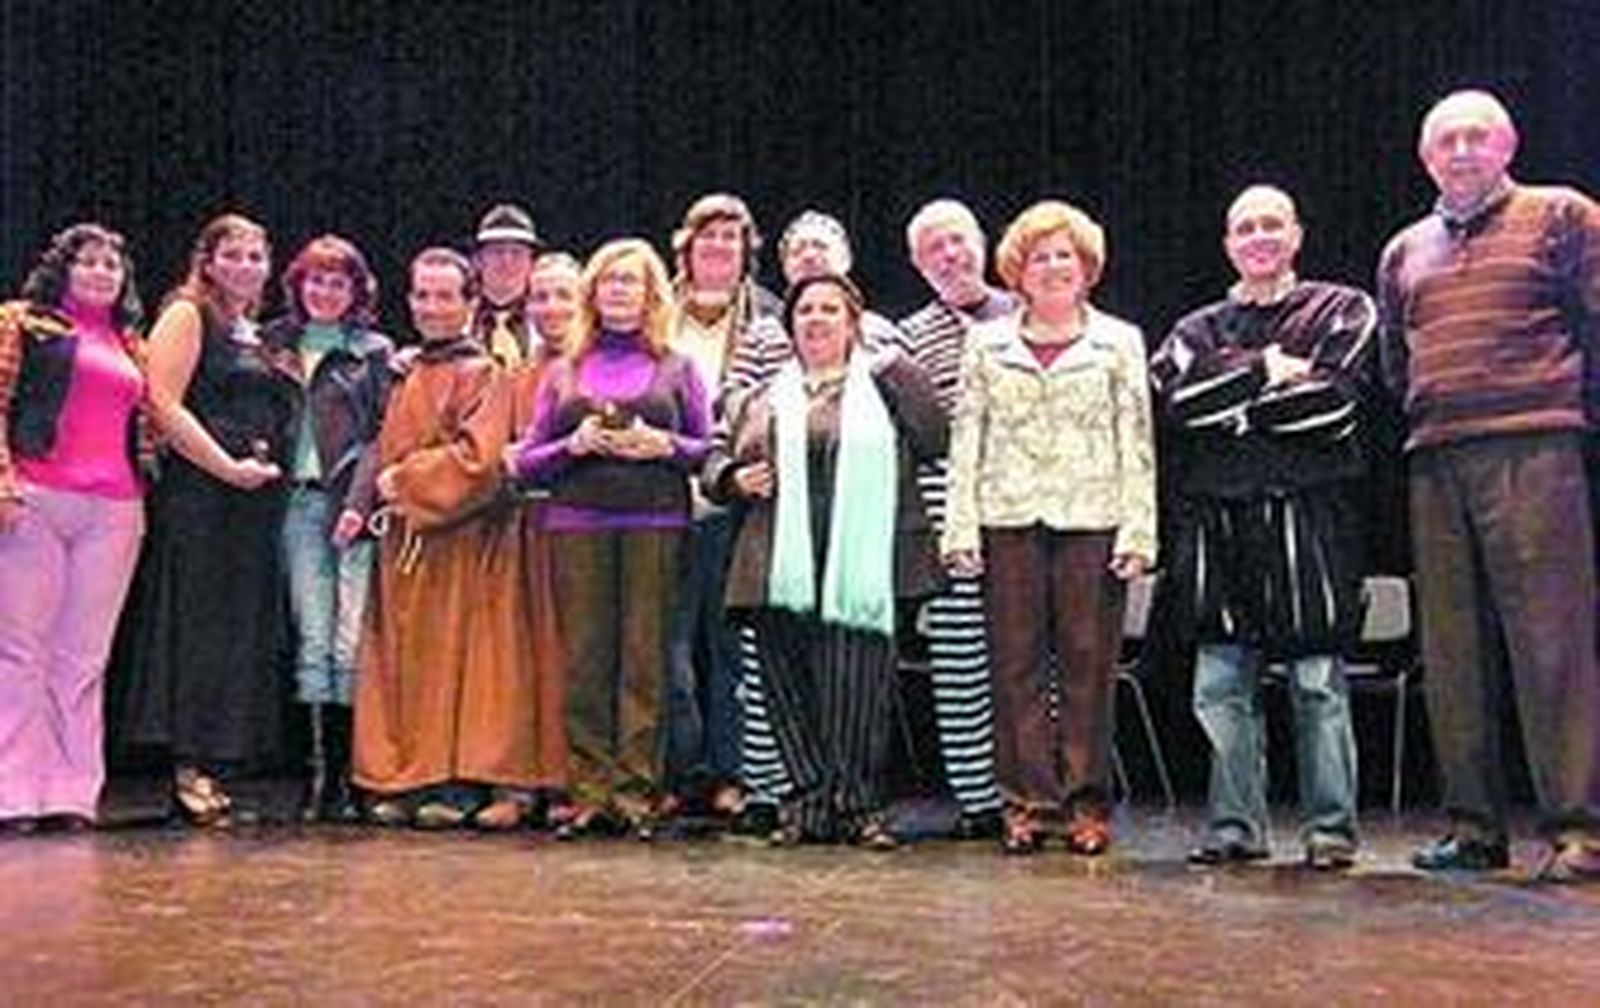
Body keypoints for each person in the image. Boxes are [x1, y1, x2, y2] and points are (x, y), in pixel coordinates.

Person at [1378, 89, 1600, 881]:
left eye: (1477, 137)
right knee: (1453, 651)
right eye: (1446, 140)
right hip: (1437, 455)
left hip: (1533, 447)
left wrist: (1565, 411)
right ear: (1426, 156)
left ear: (1508, 146)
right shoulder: (1405, 250)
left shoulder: (1562, 214)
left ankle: (1580, 830)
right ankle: (1474, 828)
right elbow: (1396, 365)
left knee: (1552, 644)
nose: (1462, 151)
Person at [0, 223, 276, 833]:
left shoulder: (129, 341)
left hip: (117, 509)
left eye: (112, 265)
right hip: (37, 498)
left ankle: (72, 793)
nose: (101, 273)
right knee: (21, 650)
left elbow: (151, 417)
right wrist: (3, 483)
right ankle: (16, 791)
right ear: (62, 268)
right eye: (89, 263)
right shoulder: (21, 322)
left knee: (83, 657)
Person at [1151, 185, 1376, 870]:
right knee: (1219, 685)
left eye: (1271, 224)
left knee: (1316, 683)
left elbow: (1333, 407)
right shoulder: (1196, 327)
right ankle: (1235, 828)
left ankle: (1331, 832)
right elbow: (1176, 406)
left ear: (1296, 235)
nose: (1258, 236)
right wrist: (1266, 373)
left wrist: (1237, 403)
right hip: (1216, 524)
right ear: (1227, 243)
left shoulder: (1343, 308)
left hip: (1307, 519)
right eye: (1244, 227)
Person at [942, 199, 1156, 856]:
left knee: (1090, 667)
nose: (1053, 266)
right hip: (1007, 519)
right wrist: (960, 529)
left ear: (1086, 267)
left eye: (1065, 255)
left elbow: (1137, 437)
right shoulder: (986, 342)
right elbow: (967, 436)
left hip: (1093, 518)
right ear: (1018, 271)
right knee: (1015, 668)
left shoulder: (1119, 339)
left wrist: (1139, 531)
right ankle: (1029, 803)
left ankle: (1086, 803)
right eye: (1040, 257)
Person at [704, 273, 948, 848]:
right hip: (776, 562)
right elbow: (715, 454)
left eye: (829, 309)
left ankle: (860, 807)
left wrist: (902, 373)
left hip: (860, 562)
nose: (816, 319)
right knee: (787, 690)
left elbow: (937, 439)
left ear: (852, 320)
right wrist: (734, 477)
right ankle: (806, 804)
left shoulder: (888, 383)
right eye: (805, 310)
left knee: (858, 689)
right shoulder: (761, 393)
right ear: (789, 325)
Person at [507, 238, 711, 839]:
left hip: (656, 527)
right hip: (577, 526)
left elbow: (709, 448)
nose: (620, 291)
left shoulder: (678, 366)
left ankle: (638, 794)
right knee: (586, 662)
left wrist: (665, 446)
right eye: (609, 281)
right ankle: (590, 792)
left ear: (652, 295)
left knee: (645, 663)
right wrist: (572, 446)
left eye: (632, 282)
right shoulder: (564, 369)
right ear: (593, 293)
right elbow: (527, 462)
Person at [116, 213, 297, 827]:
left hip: (252, 505)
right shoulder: (187, 314)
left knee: (235, 632)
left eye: (256, 255)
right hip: (202, 497)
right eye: (234, 255)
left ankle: (216, 765)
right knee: (195, 628)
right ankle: (187, 766)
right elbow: (162, 403)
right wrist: (225, 466)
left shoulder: (259, 333)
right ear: (208, 260)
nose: (246, 266)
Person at [260, 234, 393, 823]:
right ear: (298, 284)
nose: (325, 292)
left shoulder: (375, 351)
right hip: (296, 505)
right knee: (313, 638)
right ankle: (320, 778)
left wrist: (359, 503)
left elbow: (379, 436)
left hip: (352, 505)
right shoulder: (271, 345)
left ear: (356, 291)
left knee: (350, 639)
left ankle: (352, 773)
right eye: (315, 280)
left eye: (338, 282)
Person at [895, 198, 1013, 836]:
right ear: (917, 262)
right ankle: (978, 801)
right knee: (960, 661)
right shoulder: (906, 337)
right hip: (946, 513)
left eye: (959, 240)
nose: (951, 254)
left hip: (1025, 506)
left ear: (983, 242)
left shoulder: (1030, 313)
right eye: (934, 246)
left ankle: (1031, 792)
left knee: (1028, 659)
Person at [666, 193, 782, 819]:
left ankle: (733, 773)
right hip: (660, 505)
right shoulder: (658, 314)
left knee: (733, 649)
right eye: (706, 237)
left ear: (747, 251)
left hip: (732, 506)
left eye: (730, 239)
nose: (717, 248)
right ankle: (681, 772)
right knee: (669, 650)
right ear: (685, 246)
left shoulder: (769, 318)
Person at [470, 202, 543, 367]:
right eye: (496, 251)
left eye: (517, 253)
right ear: (478, 260)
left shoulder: (551, 319)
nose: (506, 262)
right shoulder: (458, 319)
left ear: (532, 262)